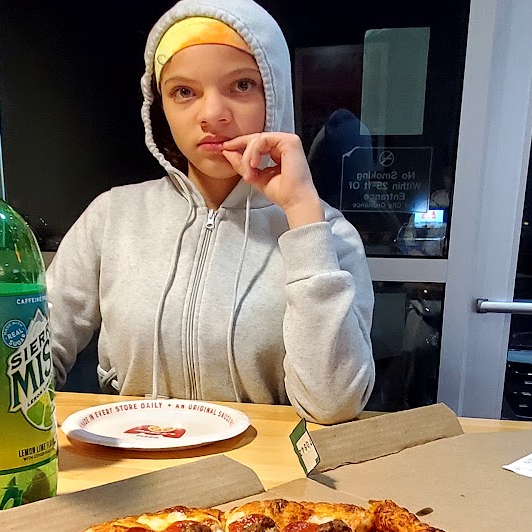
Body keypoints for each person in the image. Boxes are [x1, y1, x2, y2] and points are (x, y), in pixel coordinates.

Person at [46, 0, 376, 423]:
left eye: (242, 85)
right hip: (132, 454)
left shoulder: (326, 233)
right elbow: (32, 355)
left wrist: (300, 212)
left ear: (274, 94)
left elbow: (332, 404)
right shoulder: (112, 217)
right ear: (160, 106)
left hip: (267, 463)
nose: (213, 115)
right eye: (184, 92)